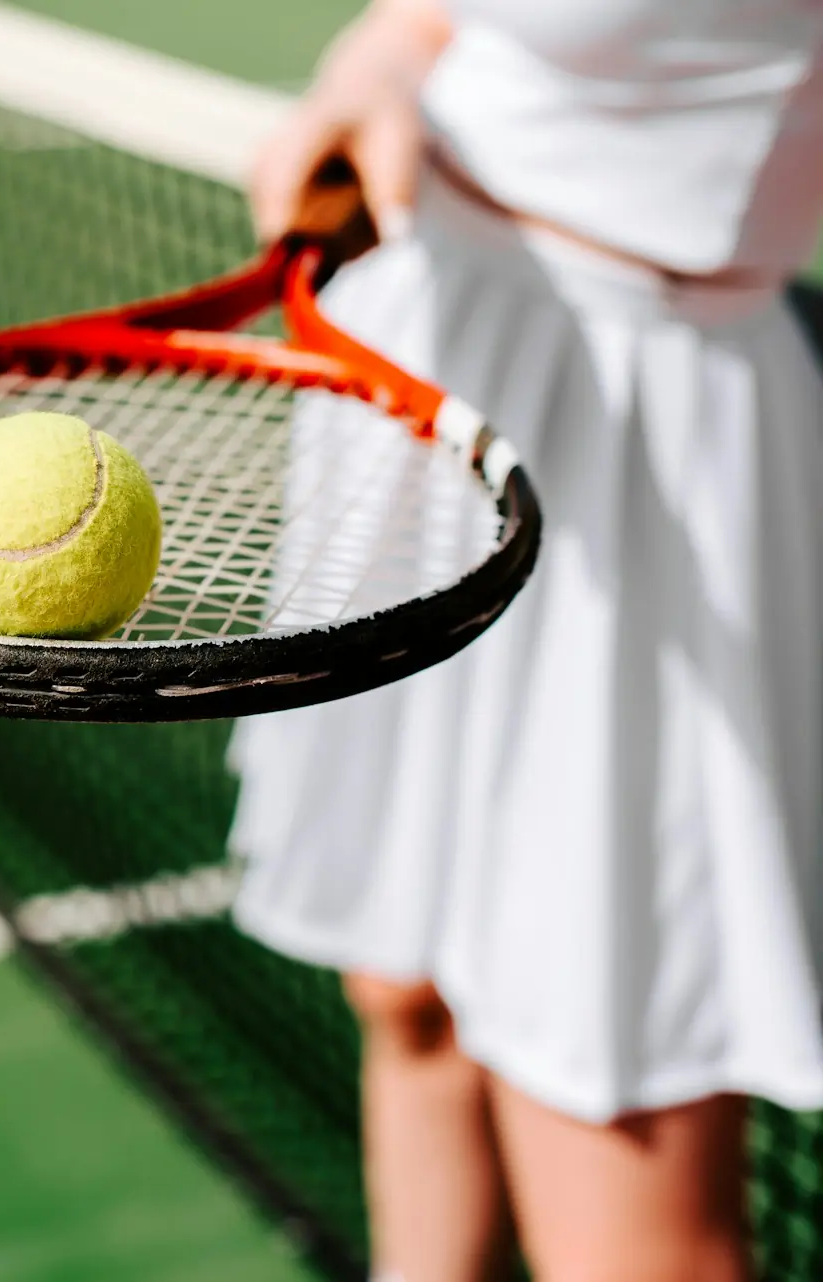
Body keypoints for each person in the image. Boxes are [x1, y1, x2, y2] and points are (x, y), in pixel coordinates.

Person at [229, 2, 823, 1279]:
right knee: (406, 992)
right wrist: (372, 74)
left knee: (603, 1106)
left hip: (654, 428)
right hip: (420, 353)